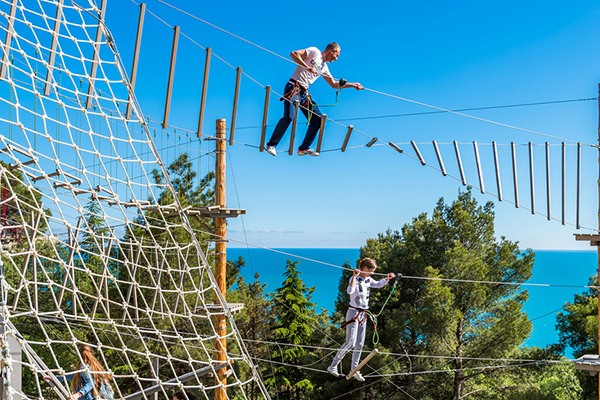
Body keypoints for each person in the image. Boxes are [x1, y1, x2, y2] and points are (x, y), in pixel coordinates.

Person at [265, 42, 363, 157]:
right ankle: (271, 145)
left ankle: (303, 148)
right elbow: (293, 54)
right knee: (289, 117)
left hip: (304, 93)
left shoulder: (324, 68)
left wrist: (353, 84)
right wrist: (307, 67)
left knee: (318, 119)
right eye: (337, 56)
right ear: (332, 51)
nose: (336, 59)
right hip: (293, 87)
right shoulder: (314, 52)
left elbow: (334, 84)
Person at [327, 258, 395, 382]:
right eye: (371, 270)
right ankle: (333, 365)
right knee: (350, 342)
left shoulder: (368, 280)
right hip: (353, 313)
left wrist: (387, 279)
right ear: (365, 269)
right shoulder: (355, 279)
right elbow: (349, 291)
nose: (372, 273)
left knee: (359, 344)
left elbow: (378, 284)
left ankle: (354, 369)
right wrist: (353, 277)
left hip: (363, 314)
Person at [45, 344, 113, 400]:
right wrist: (54, 378)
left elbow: (91, 383)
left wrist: (78, 394)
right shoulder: (96, 367)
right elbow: (71, 376)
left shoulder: (83, 367)